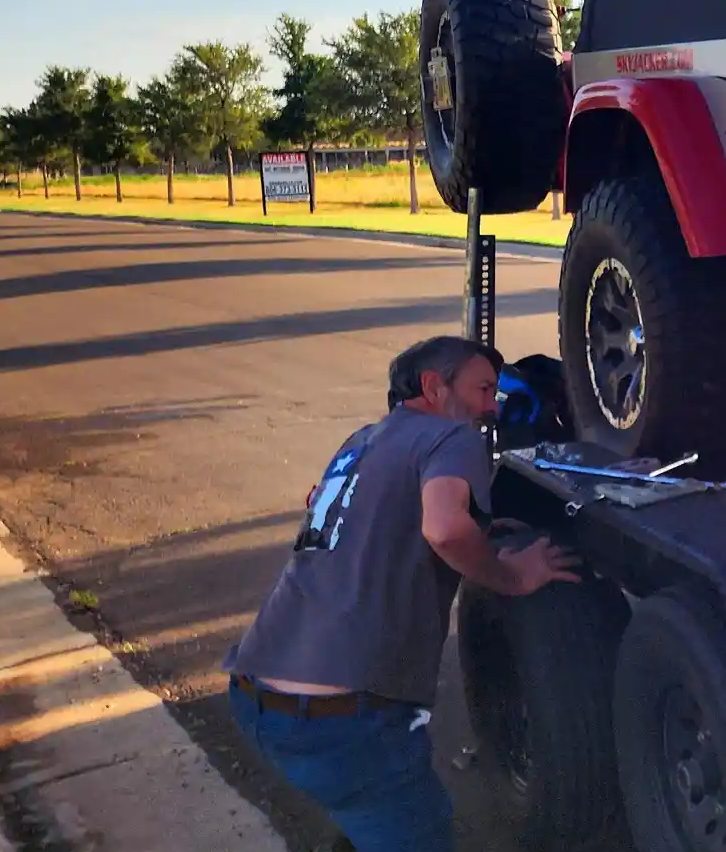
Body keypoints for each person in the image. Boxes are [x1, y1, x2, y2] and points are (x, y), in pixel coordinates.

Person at [223, 335, 583, 852]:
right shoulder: (451, 437)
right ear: (435, 387)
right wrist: (511, 576)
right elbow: (444, 528)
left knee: (360, 817)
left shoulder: (359, 441)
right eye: (483, 390)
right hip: (342, 719)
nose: (490, 408)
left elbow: (322, 505)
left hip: (258, 696)